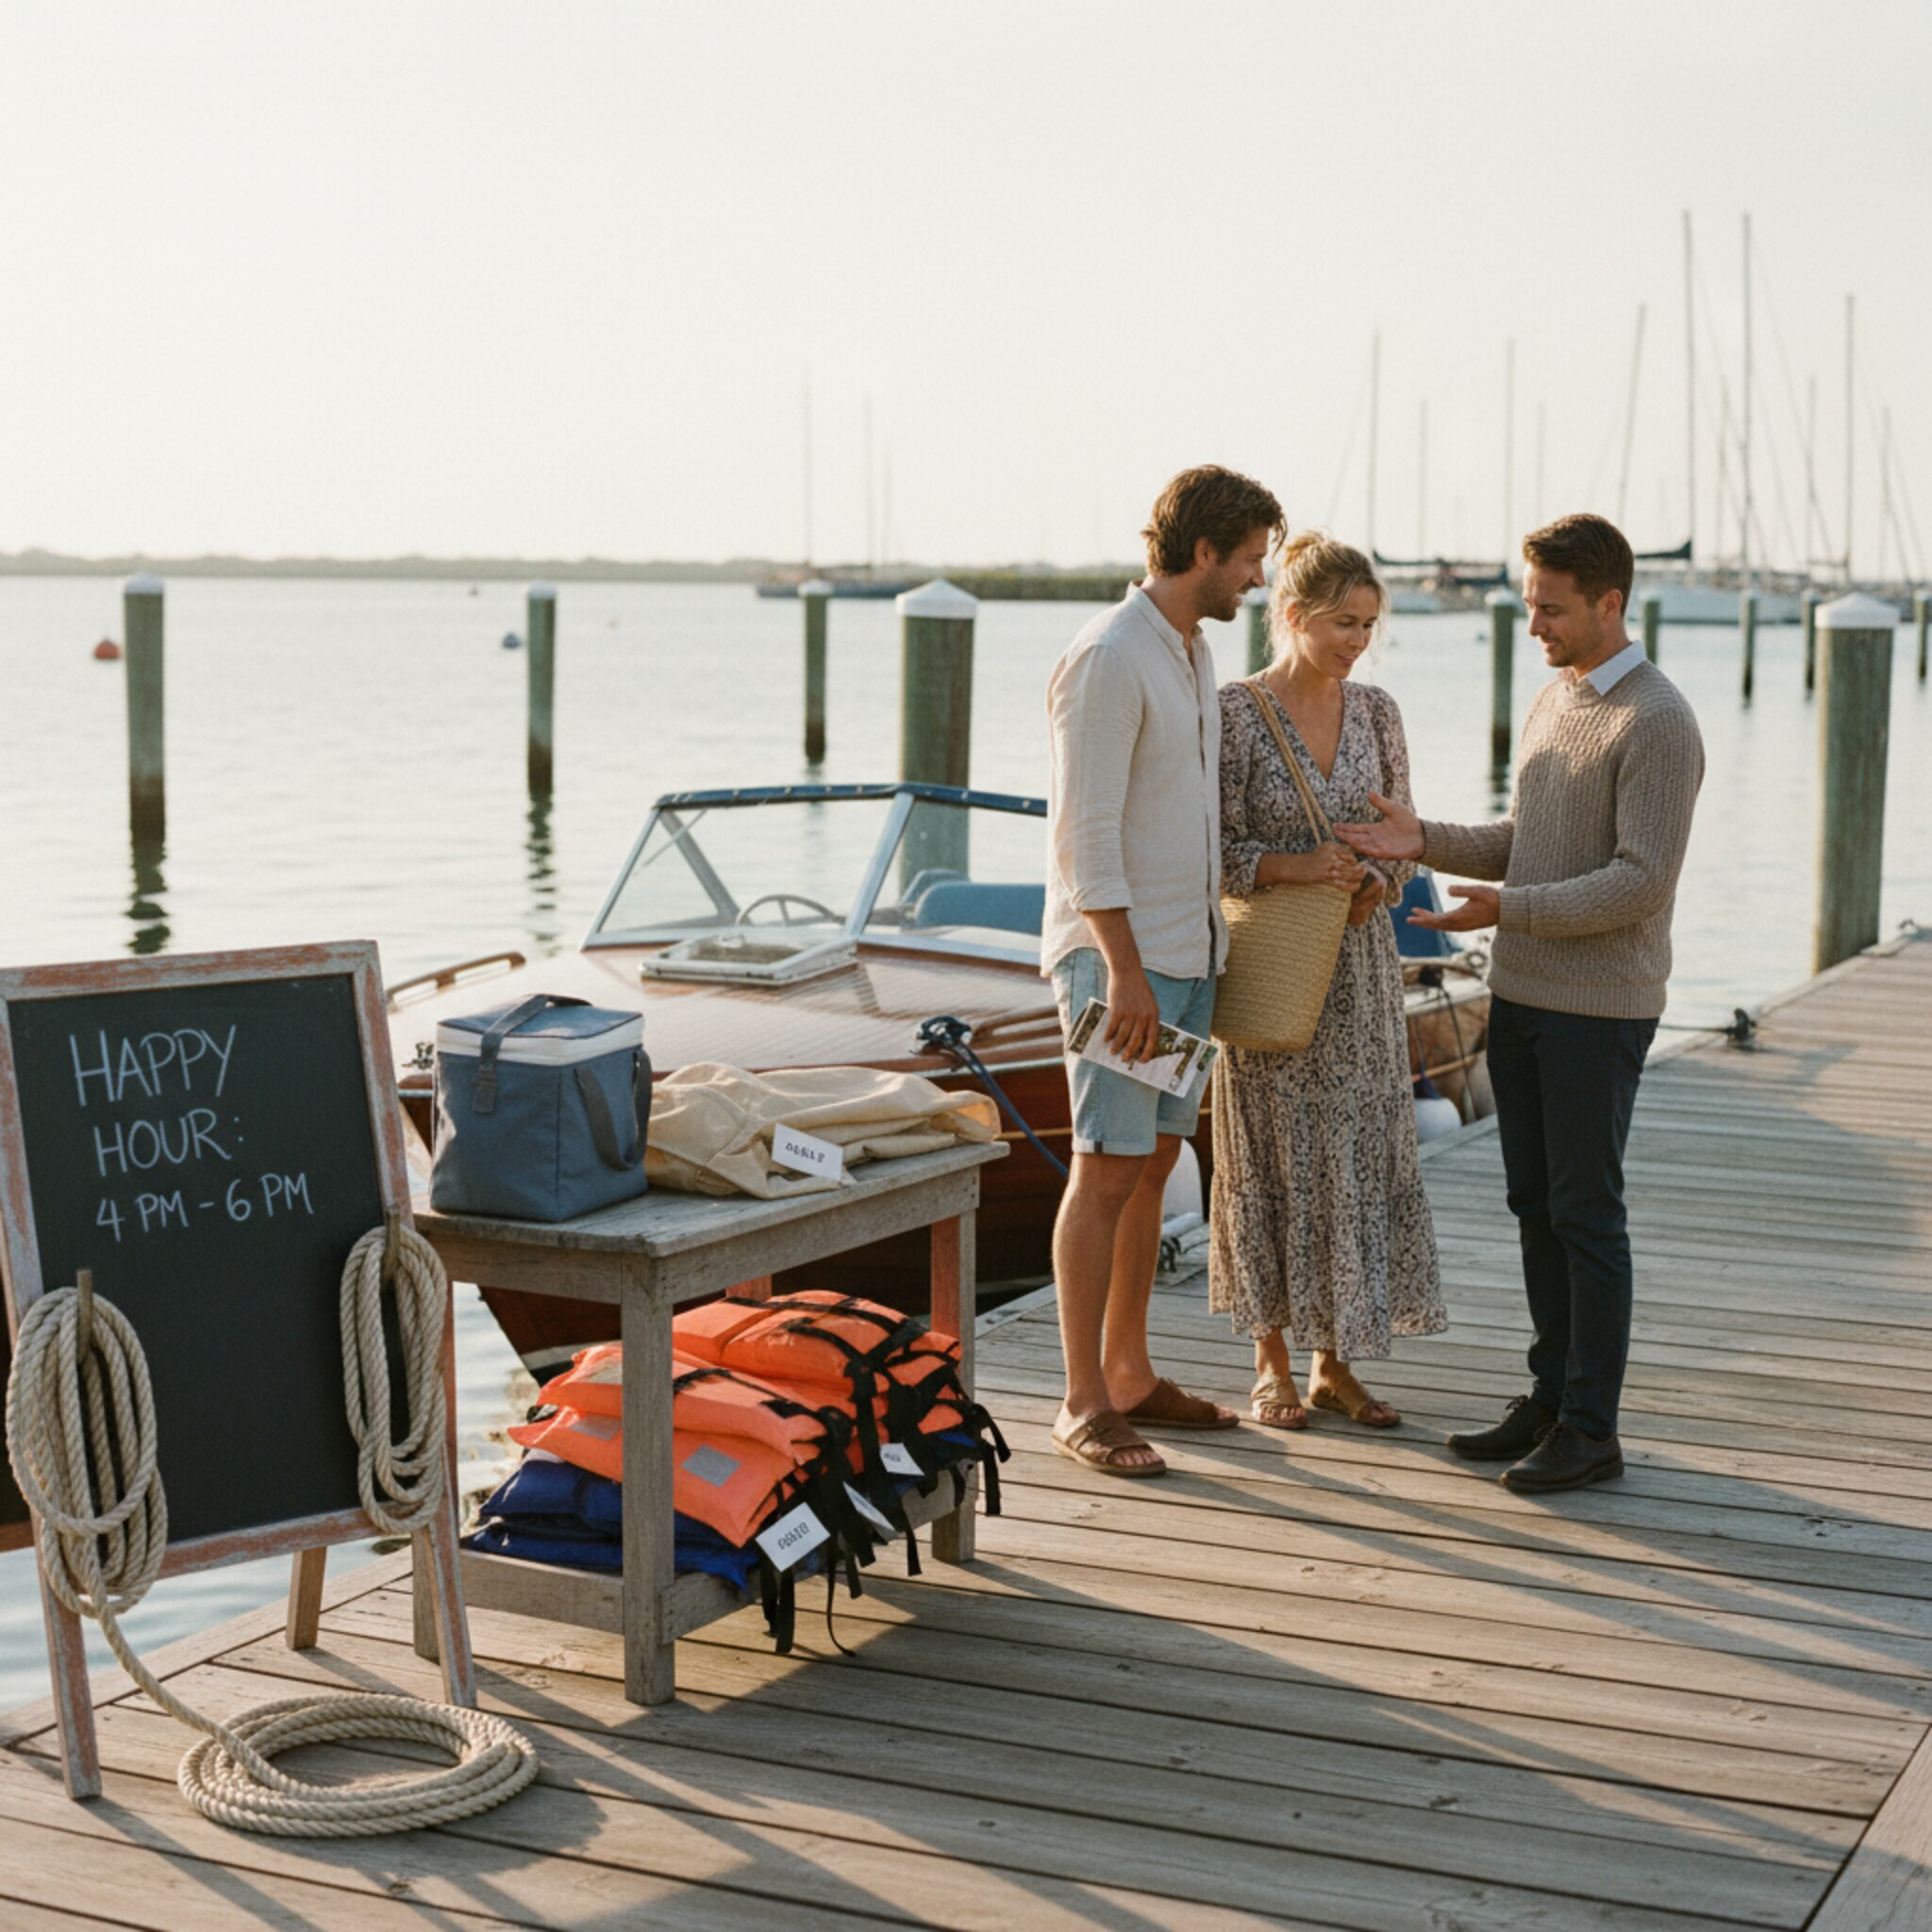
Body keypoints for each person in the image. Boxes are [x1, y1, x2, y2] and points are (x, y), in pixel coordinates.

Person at [1336, 513, 1704, 1492]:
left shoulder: (1656, 720)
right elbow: (1527, 835)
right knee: (1533, 1204)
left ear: (1608, 602)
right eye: (1528, 602)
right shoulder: (1558, 696)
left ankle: (1592, 1426)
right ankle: (1549, 1395)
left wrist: (1510, 909)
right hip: (1522, 990)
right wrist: (1423, 841)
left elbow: (1639, 880)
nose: (1530, 620)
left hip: (1599, 1004)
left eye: (1549, 606)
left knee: (1586, 1211)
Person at [1043, 464, 1285, 1476]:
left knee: (1152, 1165)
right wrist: (1123, 970)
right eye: (1247, 561)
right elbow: (1082, 835)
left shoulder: (1185, 651)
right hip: (1120, 964)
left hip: (1185, 954)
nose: (1257, 582)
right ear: (1202, 553)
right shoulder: (1108, 657)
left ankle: (1132, 1371)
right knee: (1103, 1167)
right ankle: (1081, 1401)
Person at [1210, 533, 1446, 1433]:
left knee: (1350, 1160)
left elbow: (1402, 837)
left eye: (1369, 624)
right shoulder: (1236, 712)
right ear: (1292, 615)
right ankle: (1268, 1356)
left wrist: (1372, 887)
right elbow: (1217, 852)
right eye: (1343, 622)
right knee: (1272, 1157)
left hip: (1360, 972)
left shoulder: (1379, 712)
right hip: (1272, 972)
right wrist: (1303, 868)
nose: (1358, 640)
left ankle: (1334, 1361)